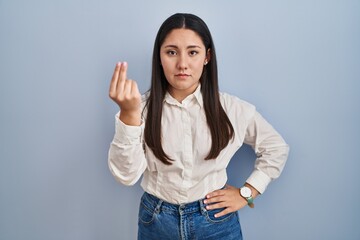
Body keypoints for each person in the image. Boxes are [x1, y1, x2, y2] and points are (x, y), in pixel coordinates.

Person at [108, 13, 289, 240]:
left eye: (193, 52)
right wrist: (128, 115)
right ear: (160, 57)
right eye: (171, 52)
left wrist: (247, 193)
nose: (182, 63)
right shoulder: (139, 108)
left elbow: (276, 148)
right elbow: (126, 176)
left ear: (207, 56)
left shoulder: (233, 109)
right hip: (156, 221)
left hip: (216, 221)